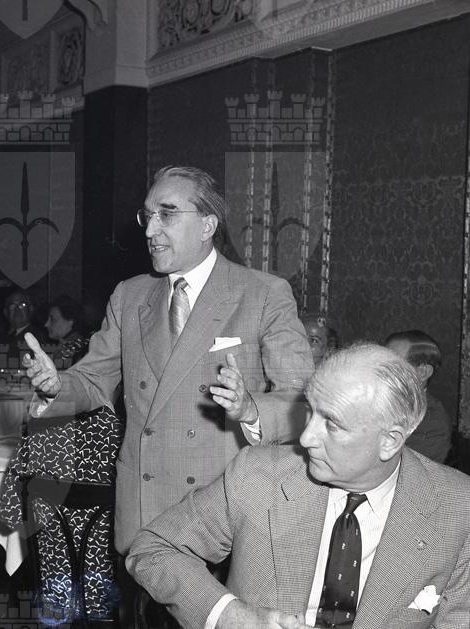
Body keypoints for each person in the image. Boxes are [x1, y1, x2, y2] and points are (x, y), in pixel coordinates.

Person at [24, 165, 314, 554]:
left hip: (223, 514)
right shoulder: (129, 296)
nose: (149, 230)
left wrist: (250, 410)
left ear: (207, 225)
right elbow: (93, 380)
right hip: (145, 508)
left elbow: (302, 399)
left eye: (167, 214)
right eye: (147, 216)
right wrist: (56, 386)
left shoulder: (263, 295)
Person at [126, 343, 470, 629]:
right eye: (311, 411)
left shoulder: (458, 508)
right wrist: (229, 615)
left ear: (390, 441)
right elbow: (153, 548)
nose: (305, 438)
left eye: (331, 424)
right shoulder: (258, 476)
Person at [384, 329, 452, 463]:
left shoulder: (433, 422)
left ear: (422, 372)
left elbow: (410, 471)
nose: (382, 370)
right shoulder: (373, 398)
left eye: (393, 364)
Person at [0, 289, 47, 368]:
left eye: (22, 305)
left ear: (30, 309)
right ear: (6, 312)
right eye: (12, 306)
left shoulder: (38, 338)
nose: (17, 310)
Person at [44, 295, 90, 368]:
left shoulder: (76, 351)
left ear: (70, 321)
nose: (46, 324)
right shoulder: (72, 346)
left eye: (53, 319)